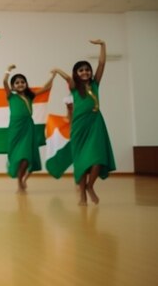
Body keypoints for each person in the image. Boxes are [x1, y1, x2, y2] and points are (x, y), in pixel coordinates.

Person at [53, 39, 116, 205]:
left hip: (96, 123)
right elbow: (67, 77)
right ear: (76, 73)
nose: (85, 72)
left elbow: (102, 64)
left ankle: (90, 186)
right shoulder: (74, 88)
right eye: (81, 70)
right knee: (81, 162)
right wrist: (58, 70)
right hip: (80, 126)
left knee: (97, 158)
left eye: (87, 70)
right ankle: (82, 194)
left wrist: (103, 45)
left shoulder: (95, 84)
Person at [3, 65, 55, 193]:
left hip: (28, 128)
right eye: (17, 83)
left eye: (22, 82)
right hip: (16, 129)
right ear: (13, 86)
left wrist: (53, 76)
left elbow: (46, 87)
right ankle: (19, 181)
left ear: (26, 84)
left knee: (28, 157)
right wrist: (8, 70)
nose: (20, 84)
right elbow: (4, 82)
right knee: (19, 156)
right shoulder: (11, 96)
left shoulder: (30, 96)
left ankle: (23, 180)